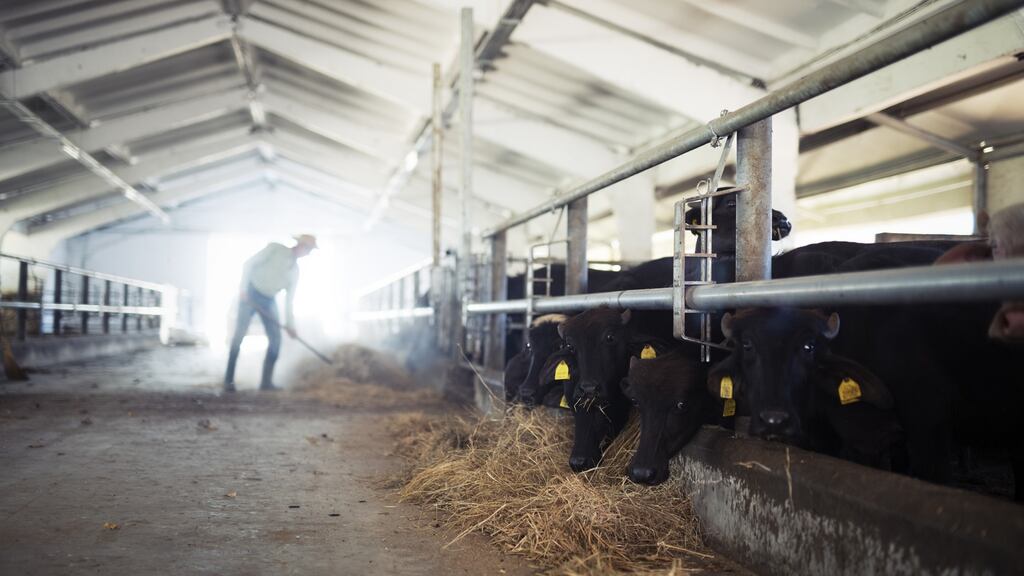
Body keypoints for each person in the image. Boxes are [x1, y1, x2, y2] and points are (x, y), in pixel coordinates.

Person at [224, 234, 317, 392]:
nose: (308, 253)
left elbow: (290, 301)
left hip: (268, 300)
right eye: (308, 249)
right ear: (301, 246)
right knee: (239, 336)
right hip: (250, 294)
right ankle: (228, 381)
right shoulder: (275, 249)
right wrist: (243, 289)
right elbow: (248, 264)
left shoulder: (295, 271)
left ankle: (266, 383)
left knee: (276, 340)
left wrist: (290, 325)